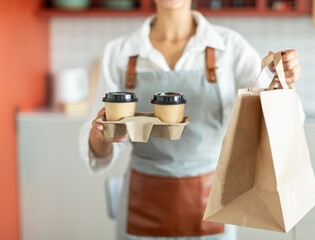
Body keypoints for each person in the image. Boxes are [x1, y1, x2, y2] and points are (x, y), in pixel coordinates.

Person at [79, 0, 301, 239]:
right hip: (142, 203)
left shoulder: (230, 47)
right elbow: (98, 151)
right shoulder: (119, 52)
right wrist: (101, 133)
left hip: (211, 204)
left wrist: (282, 84)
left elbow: (287, 122)